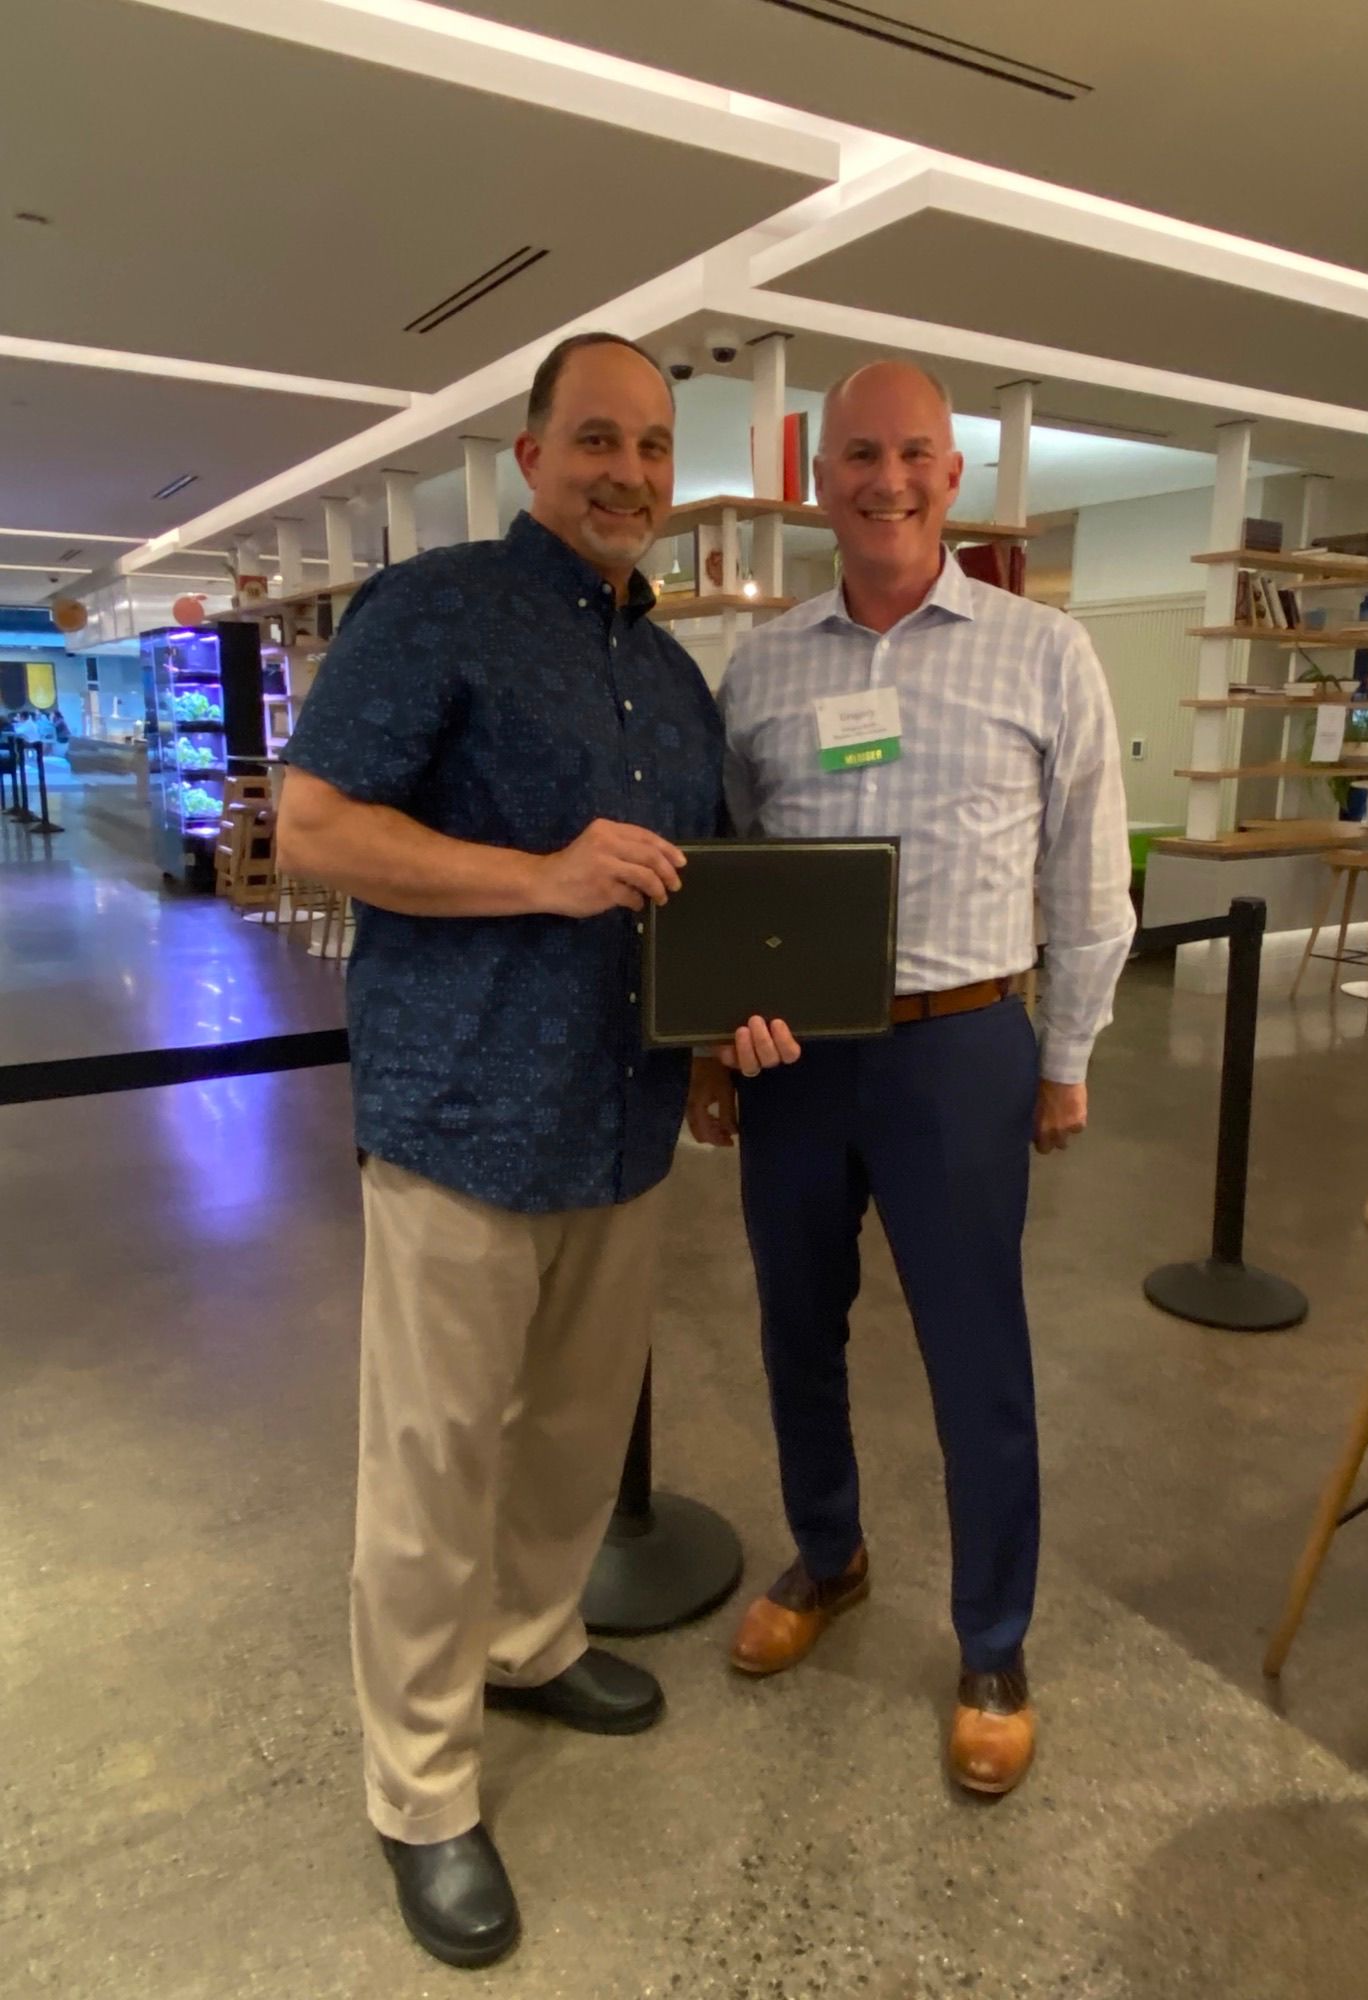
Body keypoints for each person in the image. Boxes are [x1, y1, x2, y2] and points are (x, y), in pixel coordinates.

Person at [277, 331, 795, 1970]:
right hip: (460, 1116)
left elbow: (700, 895)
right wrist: (541, 875)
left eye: (651, 447)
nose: (627, 474)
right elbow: (315, 826)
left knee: (573, 1438)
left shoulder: (676, 677)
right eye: (596, 439)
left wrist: (724, 1033)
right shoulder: (431, 610)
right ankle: (423, 1792)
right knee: (432, 1470)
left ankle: (530, 1639)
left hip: (620, 1119)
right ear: (530, 454)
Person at [689, 360, 1134, 1797]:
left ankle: (994, 1641)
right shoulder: (763, 667)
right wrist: (717, 1045)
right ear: (820, 481)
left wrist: (1065, 1055)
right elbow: (730, 876)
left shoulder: (1043, 652)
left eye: (913, 455)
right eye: (859, 456)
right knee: (795, 1328)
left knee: (975, 1350)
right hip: (798, 1060)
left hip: (963, 1048)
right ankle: (828, 1554)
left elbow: (1089, 873)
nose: (887, 481)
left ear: (953, 476)